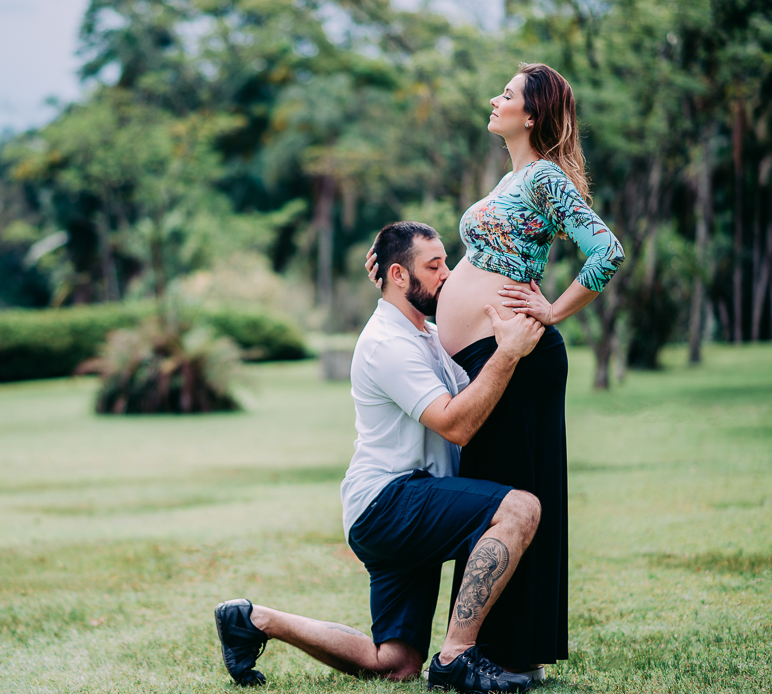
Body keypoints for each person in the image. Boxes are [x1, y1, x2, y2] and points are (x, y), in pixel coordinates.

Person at [367, 63, 625, 677]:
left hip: (517, 357)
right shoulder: (513, 180)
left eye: (507, 95)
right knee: (496, 498)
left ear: (531, 115)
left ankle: (510, 654)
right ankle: (496, 650)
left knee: (513, 495)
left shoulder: (543, 177)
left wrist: (553, 311)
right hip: (486, 359)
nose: (494, 99)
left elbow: (606, 251)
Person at [215, 221, 546, 693]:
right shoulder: (387, 344)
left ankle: (254, 619)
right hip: (390, 501)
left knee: (394, 662)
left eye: (446, 263)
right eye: (434, 266)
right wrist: (507, 354)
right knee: (520, 509)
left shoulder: (427, 335)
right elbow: (456, 424)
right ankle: (455, 657)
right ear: (398, 274)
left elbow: (477, 395)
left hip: (388, 509)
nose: (447, 275)